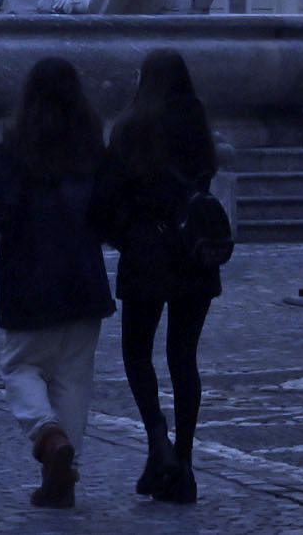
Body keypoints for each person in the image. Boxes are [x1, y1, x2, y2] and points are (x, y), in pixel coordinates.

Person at [86, 49, 221, 508]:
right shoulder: (197, 125)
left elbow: (105, 198)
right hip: (194, 252)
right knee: (184, 358)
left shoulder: (131, 128)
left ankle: (156, 435)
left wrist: (124, 234)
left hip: (146, 252)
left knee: (137, 352)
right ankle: (184, 463)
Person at [0, 57, 113, 511]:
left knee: (21, 366)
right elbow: (107, 214)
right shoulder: (93, 154)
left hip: (29, 278)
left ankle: (49, 437)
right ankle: (62, 479)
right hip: (83, 278)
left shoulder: (12, 154)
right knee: (74, 380)